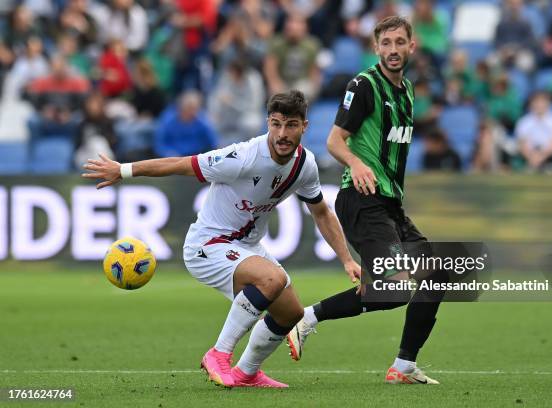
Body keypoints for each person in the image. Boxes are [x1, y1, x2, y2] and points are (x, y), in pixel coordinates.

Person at [81, 90, 361, 388]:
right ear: (268, 122)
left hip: (247, 246)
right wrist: (123, 170)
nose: (282, 133)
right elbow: (181, 164)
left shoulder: (305, 165)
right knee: (272, 279)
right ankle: (218, 354)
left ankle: (247, 373)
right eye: (276, 123)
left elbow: (321, 212)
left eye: (291, 125)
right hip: (208, 246)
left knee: (291, 312)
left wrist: (346, 259)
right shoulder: (243, 157)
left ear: (304, 126)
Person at [287, 16, 444, 385]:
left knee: (435, 276)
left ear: (411, 46)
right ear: (376, 48)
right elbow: (334, 140)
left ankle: (404, 366)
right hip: (361, 200)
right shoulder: (364, 86)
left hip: (389, 205)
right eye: (385, 43)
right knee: (395, 289)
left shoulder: (407, 92)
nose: (393, 50)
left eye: (399, 42)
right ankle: (307, 317)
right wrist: (356, 163)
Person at [515, 91, 552, 171]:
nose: (539, 105)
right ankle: (536, 165)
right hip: (531, 152)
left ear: (548, 104)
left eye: (542, 102)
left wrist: (541, 156)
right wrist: (531, 157)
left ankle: (541, 165)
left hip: (549, 153)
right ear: (531, 104)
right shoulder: (524, 121)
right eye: (537, 102)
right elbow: (522, 142)